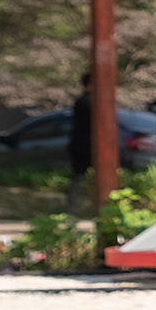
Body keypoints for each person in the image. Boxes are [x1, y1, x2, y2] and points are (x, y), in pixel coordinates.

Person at [66, 69, 94, 216]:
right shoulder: (87, 102)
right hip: (85, 146)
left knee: (78, 177)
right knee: (78, 177)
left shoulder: (84, 101)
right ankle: (72, 210)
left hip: (82, 145)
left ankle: (74, 209)